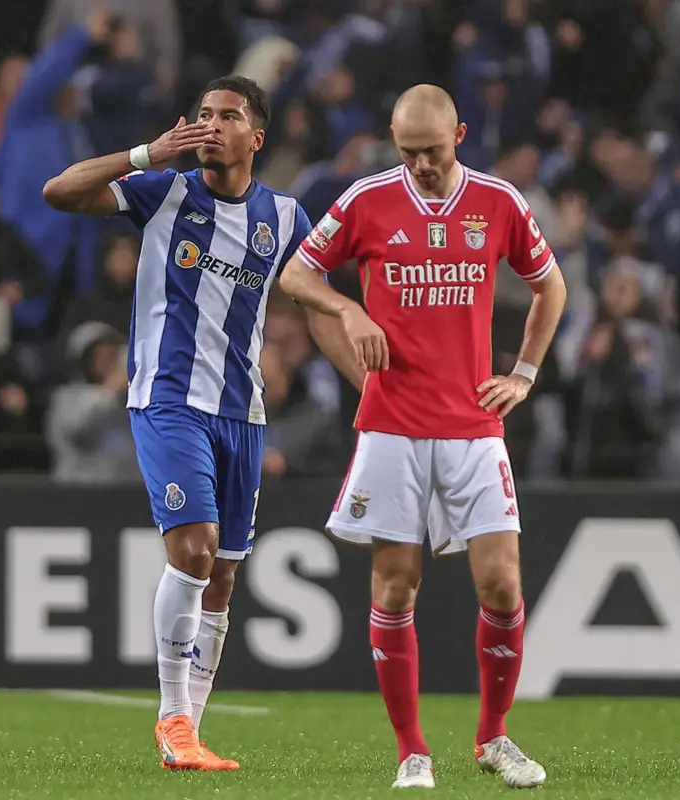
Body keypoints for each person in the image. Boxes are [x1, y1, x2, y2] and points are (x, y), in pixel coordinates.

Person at [44, 75, 354, 772]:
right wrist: (147, 152)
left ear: (257, 137)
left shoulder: (283, 218)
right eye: (205, 114)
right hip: (167, 400)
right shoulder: (166, 192)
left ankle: (189, 736)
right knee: (194, 547)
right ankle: (172, 720)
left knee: (222, 579)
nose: (212, 125)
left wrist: (370, 388)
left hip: (243, 415)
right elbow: (59, 192)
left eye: (229, 116)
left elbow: (317, 308)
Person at [279, 84, 568, 790]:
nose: (422, 167)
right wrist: (348, 309)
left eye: (433, 153)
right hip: (393, 426)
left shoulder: (498, 201)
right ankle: (412, 749)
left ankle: (494, 737)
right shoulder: (367, 198)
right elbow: (296, 274)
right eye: (408, 153)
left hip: (474, 424)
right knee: (396, 586)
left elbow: (550, 286)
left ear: (459, 135)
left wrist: (525, 374)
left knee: (501, 584)